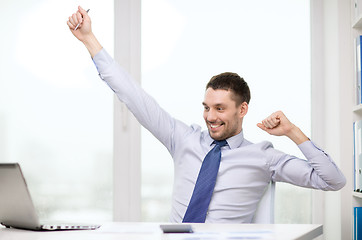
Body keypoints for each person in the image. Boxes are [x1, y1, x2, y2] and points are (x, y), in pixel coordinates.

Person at [67, 6, 346, 223]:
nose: (210, 117)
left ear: (243, 109)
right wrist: (89, 39)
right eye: (206, 107)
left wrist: (292, 132)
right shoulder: (183, 139)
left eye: (220, 109)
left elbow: (333, 180)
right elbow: (133, 95)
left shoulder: (264, 157)